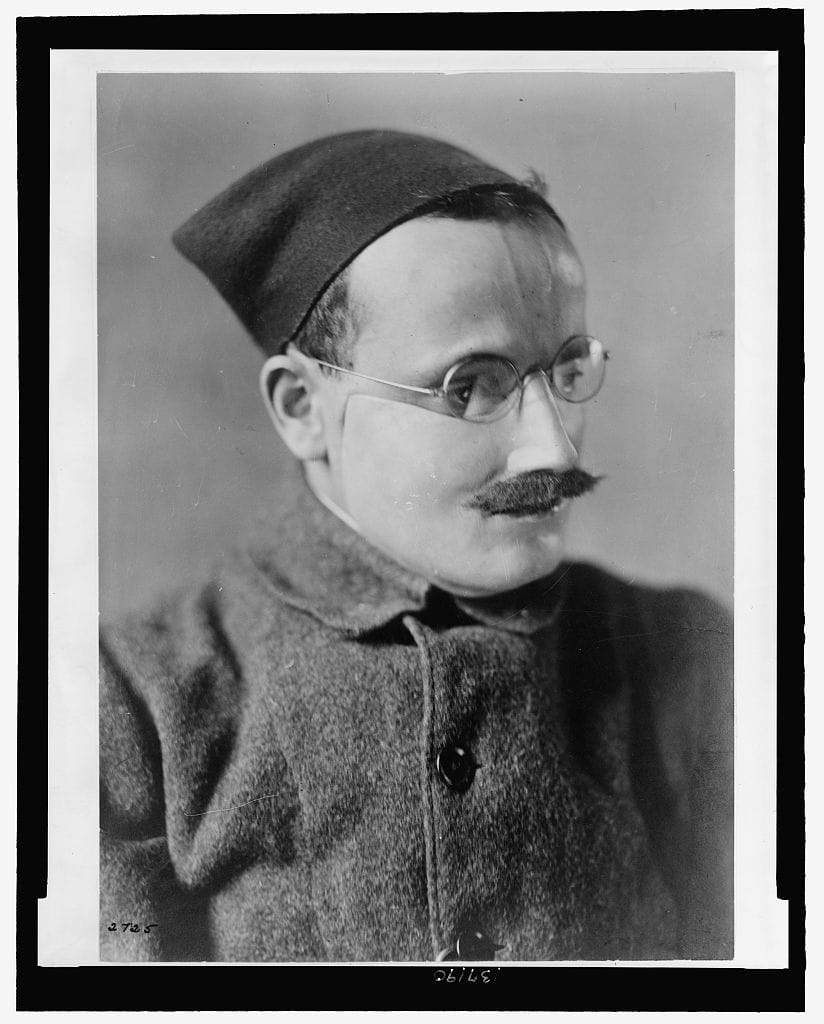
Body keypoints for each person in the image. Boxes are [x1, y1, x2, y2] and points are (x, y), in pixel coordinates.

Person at [99, 129, 733, 962]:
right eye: (470, 385)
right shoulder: (133, 706)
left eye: (569, 369)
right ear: (302, 409)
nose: (554, 450)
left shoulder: (689, 660)